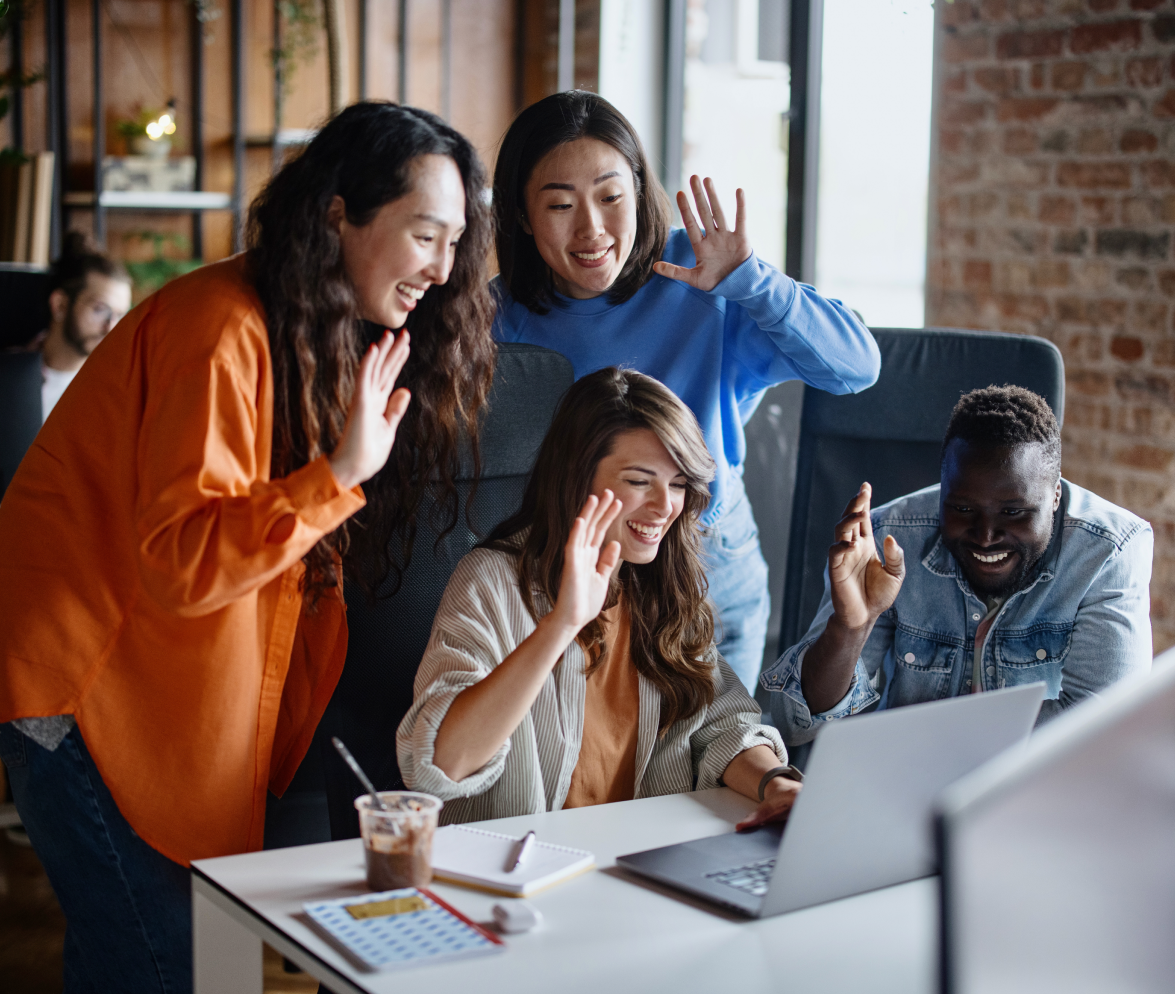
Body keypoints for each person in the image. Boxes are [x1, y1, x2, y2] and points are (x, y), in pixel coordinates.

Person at [0, 102, 496, 993]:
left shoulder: (302, 327)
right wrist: (342, 470)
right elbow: (185, 558)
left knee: (133, 953)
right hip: (76, 680)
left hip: (141, 674)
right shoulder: (219, 328)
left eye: (456, 242)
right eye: (425, 235)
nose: (442, 270)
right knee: (163, 962)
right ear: (337, 215)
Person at [490, 90, 881, 694]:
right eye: (560, 205)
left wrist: (753, 284)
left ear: (640, 192)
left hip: (707, 562)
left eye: (611, 197)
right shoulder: (497, 317)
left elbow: (856, 367)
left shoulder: (703, 273)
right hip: (576, 581)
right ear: (520, 214)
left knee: (724, 770)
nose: (592, 228)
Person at [398, 368, 802, 830]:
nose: (665, 505)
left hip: (637, 859)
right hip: (517, 873)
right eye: (639, 481)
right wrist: (561, 625)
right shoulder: (492, 581)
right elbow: (439, 766)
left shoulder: (662, 584)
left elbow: (721, 725)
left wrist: (776, 783)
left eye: (676, 483)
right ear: (578, 476)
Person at [761, 386, 1153, 744]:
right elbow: (795, 726)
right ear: (941, 490)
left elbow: (1108, 729)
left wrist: (933, 743)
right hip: (903, 788)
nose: (985, 535)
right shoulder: (888, 539)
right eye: (962, 508)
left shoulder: (1107, 552)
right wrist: (851, 627)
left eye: (1013, 512)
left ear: (1054, 496)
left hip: (1038, 791)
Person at [27, 232, 132, 421]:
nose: (110, 328)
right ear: (60, 305)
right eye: (100, 309)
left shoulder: (117, 391)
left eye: (119, 316)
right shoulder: (4, 378)